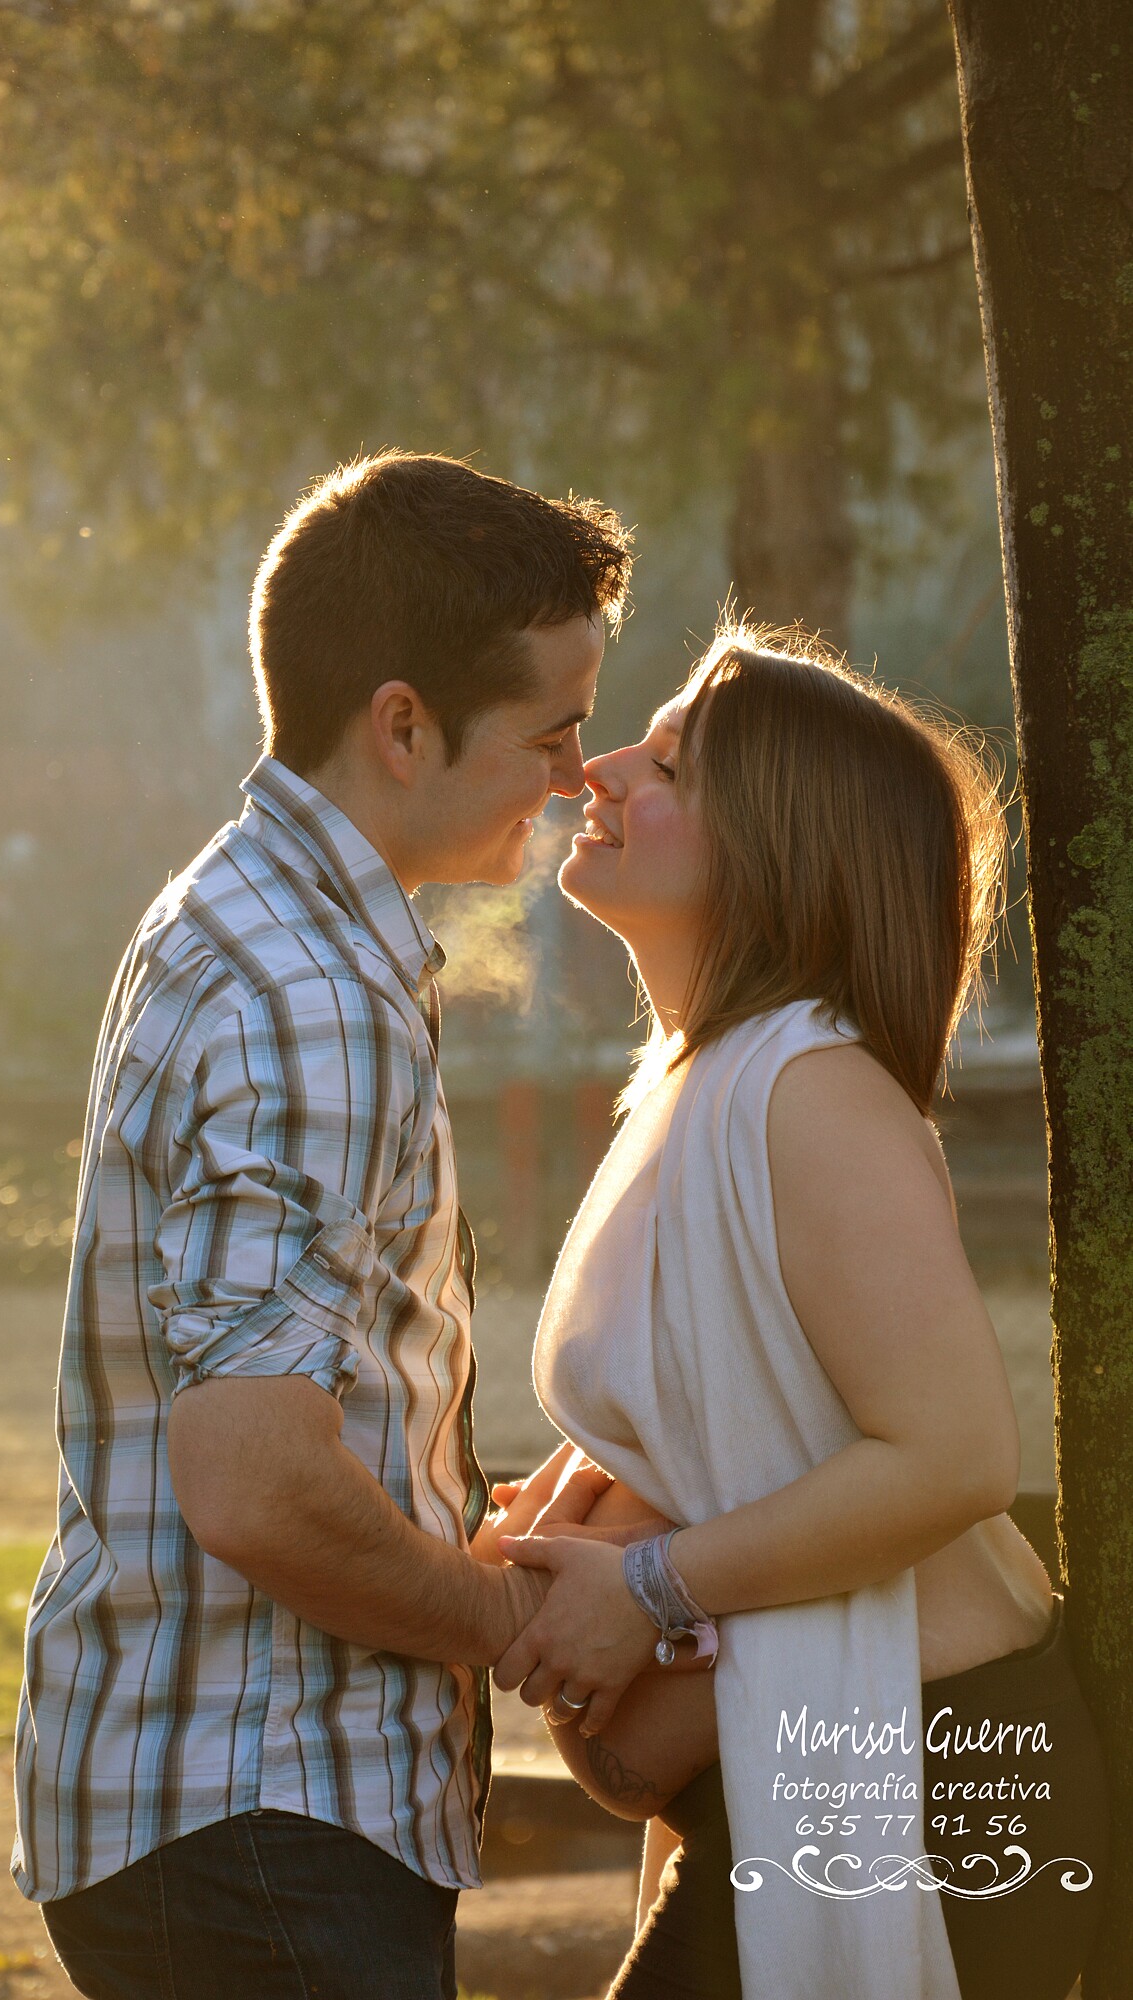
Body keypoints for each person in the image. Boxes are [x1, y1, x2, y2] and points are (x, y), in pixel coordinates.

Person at [11, 450, 633, 2000]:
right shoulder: (307, 997)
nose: (575, 776)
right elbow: (257, 1484)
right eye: (550, 732)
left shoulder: (245, 920)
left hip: (212, 1803)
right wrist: (503, 1619)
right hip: (262, 1810)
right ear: (403, 725)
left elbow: (299, 1405)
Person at [489, 631, 1108, 2000]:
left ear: (769, 844)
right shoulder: (697, 1084)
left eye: (661, 763)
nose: (594, 768)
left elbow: (946, 1459)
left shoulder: (808, 1088)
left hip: (937, 1775)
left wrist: (644, 1587)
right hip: (814, 1754)